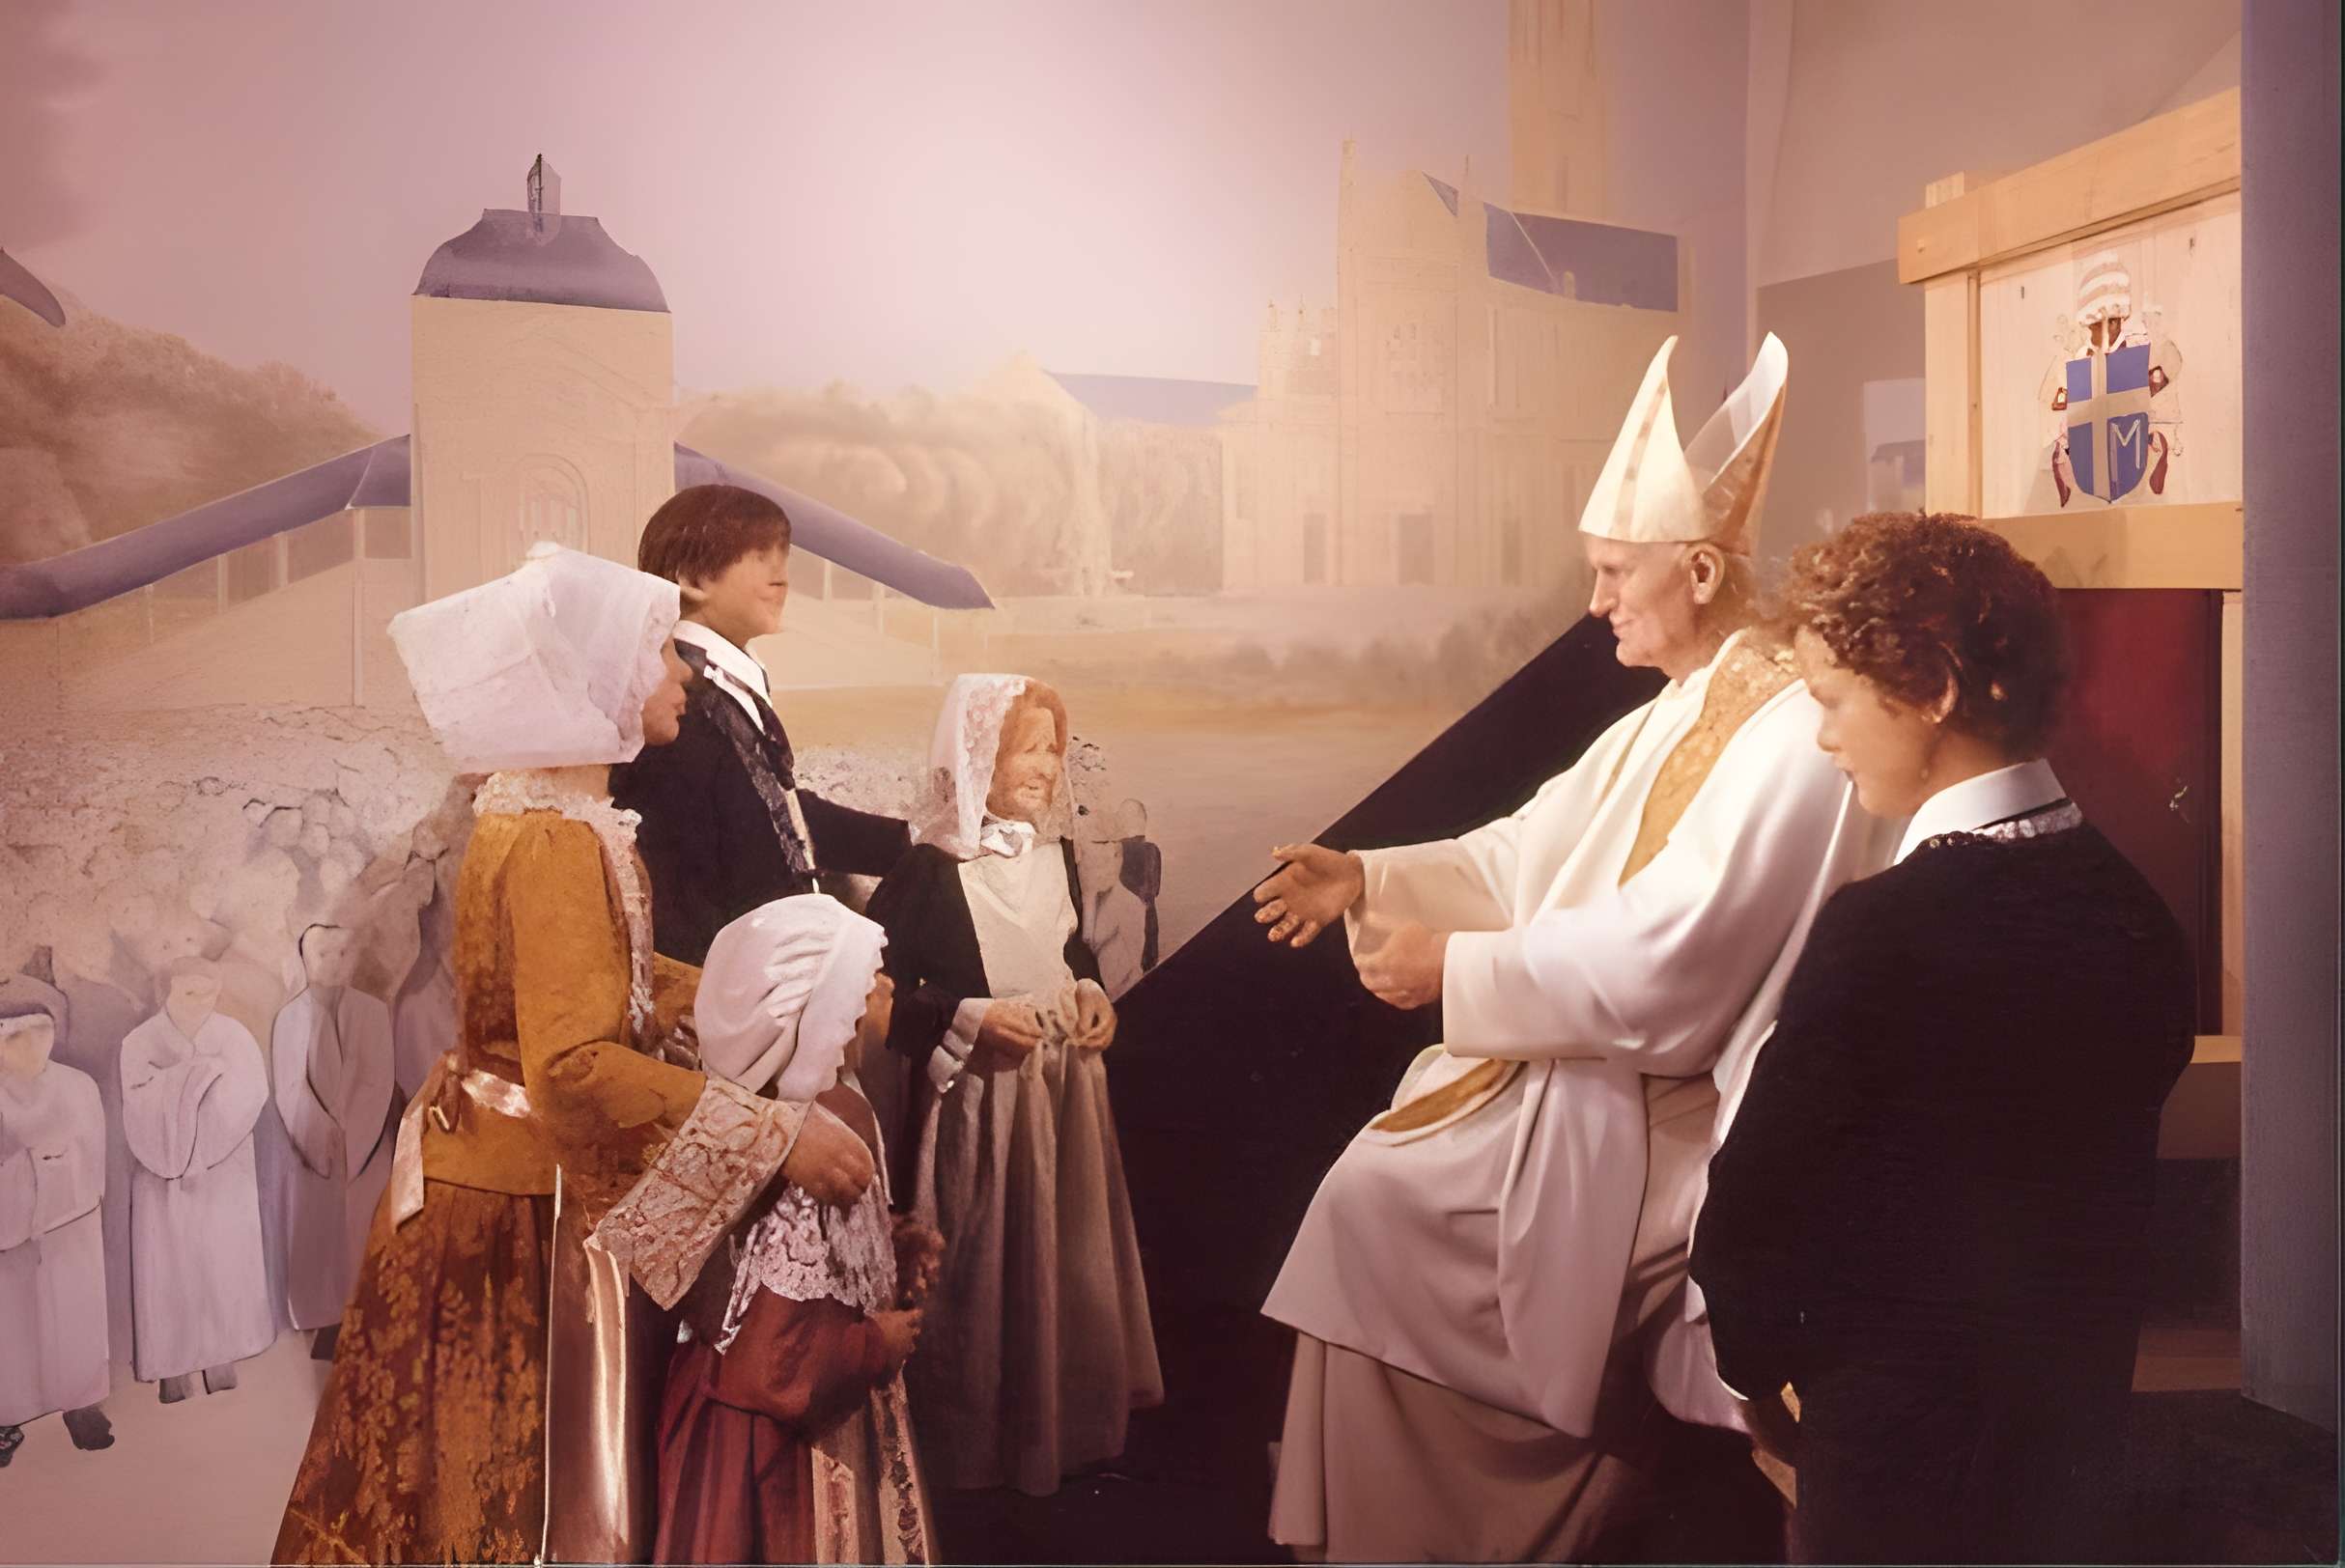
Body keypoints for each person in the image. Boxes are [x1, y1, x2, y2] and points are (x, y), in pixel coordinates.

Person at [1250, 333, 1895, 1562]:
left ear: (1699, 569)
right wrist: (1372, 875)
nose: (1595, 601)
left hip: (1681, 1098)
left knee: (1381, 1201)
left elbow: (1681, 958)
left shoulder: (1780, 732)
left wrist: (1458, 970)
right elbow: (1529, 848)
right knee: (1371, 1189)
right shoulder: (1676, 709)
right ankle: (1393, 1518)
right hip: (1595, 1063)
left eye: (1612, 572)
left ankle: (1487, 1522)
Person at [272, 544, 879, 1566]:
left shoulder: (551, 815)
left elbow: (618, 981)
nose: (680, 673)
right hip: (528, 1201)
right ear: (592, 681)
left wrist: (807, 988)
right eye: (657, 654)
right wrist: (774, 1133)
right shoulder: (555, 837)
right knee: (523, 1484)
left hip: (495, 1173)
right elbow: (575, 1066)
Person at [1690, 513, 2194, 1564]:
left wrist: (1753, 1374)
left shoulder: (1884, 931)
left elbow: (1752, 1212)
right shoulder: (2137, 915)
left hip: (1896, 1458)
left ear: (1932, 692)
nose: (1821, 738)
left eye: (1830, 700)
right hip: (2067, 1445)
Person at [866, 674, 1162, 1495]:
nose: (1047, 765)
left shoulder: (1056, 857)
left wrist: (1094, 996)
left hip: (1063, 1100)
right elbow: (881, 993)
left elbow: (1068, 957)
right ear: (977, 759)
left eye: (1054, 748)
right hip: (982, 1106)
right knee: (985, 1262)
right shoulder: (928, 873)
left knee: (1063, 1258)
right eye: (1028, 746)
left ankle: (1059, 1427)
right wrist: (967, 1018)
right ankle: (974, 1447)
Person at [656, 894, 943, 1564]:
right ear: (817, 1018)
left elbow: (812, 1266)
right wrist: (876, 1342)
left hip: (751, 1416)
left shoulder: (774, 1108)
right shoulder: (821, 1133)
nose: (887, 990)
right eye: (863, 990)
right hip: (786, 1445)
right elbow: (773, 1361)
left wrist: (891, 1246)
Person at [613, 484, 914, 966]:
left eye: (782, 556)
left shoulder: (724, 682)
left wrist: (909, 840)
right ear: (692, 576)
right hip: (735, 972)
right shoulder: (686, 702)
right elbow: (697, 871)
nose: (782, 578)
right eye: (758, 556)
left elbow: (774, 808)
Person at [120, 956, 274, 1403]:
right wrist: (194, 1078)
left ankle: (222, 1352)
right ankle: (172, 1363)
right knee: (170, 1263)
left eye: (208, 993)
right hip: (161, 1177)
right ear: (167, 991)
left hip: (224, 1165)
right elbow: (140, 1100)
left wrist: (203, 1122)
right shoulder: (139, 1041)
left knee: (222, 1257)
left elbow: (250, 1091)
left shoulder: (233, 1035)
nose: (200, 1002)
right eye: (189, 992)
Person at [0, 977, 113, 1465]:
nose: (30, 1048)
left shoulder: (77, 1086)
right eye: (13, 1038)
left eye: (40, 1033)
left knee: (74, 1314)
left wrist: (60, 1181)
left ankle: (80, 1404)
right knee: (12, 1323)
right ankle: (7, 1414)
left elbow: (93, 1159)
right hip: (8, 1231)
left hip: (71, 1223)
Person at [271, 924, 397, 1355]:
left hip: (365, 1145)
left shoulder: (372, 1012)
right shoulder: (290, 1018)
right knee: (319, 1233)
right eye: (322, 954)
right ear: (304, 960)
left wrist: (354, 1139)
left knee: (363, 1231)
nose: (332, 963)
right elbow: (290, 1086)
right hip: (314, 1152)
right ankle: (325, 1322)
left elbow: (377, 1079)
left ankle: (366, 1319)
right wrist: (323, 1139)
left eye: (341, 954)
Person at [1114, 798, 1164, 971]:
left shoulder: (1115, 851)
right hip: (1147, 923)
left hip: (1125, 927)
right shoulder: (1152, 851)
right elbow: (1154, 890)